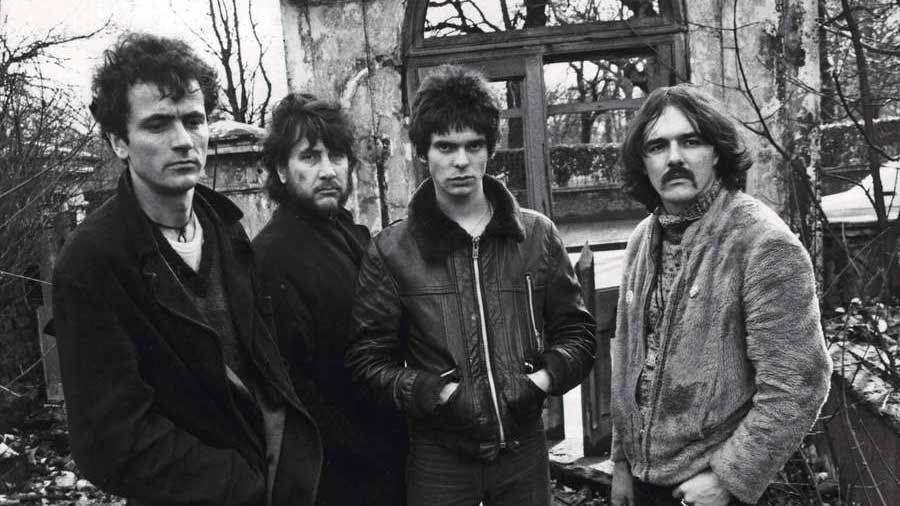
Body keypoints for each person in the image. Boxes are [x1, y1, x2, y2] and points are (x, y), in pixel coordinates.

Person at [51, 33, 321, 506]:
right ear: (119, 140)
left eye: (194, 120)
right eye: (157, 125)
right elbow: (109, 442)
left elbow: (263, 370)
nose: (182, 141)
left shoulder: (226, 230)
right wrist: (242, 485)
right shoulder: (93, 261)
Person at [345, 64, 597, 506]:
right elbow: (367, 362)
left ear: (489, 150)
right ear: (424, 150)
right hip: (440, 458)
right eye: (445, 146)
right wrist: (433, 392)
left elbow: (578, 335)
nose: (460, 161)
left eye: (472, 145)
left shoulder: (536, 236)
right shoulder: (391, 250)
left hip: (523, 450)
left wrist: (538, 381)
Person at [610, 84, 832, 506]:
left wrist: (730, 478)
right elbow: (627, 362)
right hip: (645, 484)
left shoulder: (762, 242)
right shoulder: (643, 238)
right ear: (644, 162)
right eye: (657, 146)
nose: (674, 157)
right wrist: (622, 461)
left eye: (690, 141)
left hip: (715, 489)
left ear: (715, 152)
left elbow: (798, 384)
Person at [252, 93, 408, 506]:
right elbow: (293, 387)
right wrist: (366, 451)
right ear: (282, 170)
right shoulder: (273, 255)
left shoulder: (348, 233)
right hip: (340, 475)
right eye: (310, 156)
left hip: (387, 454)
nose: (327, 171)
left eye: (337, 156)